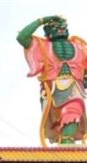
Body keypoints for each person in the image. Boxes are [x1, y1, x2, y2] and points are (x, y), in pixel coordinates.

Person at [17, 16, 87, 145]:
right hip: (52, 88)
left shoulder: (80, 47)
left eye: (62, 27)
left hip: (74, 86)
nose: (60, 30)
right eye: (55, 27)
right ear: (48, 31)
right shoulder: (42, 45)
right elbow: (22, 37)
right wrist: (42, 20)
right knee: (56, 119)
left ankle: (67, 141)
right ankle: (62, 141)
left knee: (74, 109)